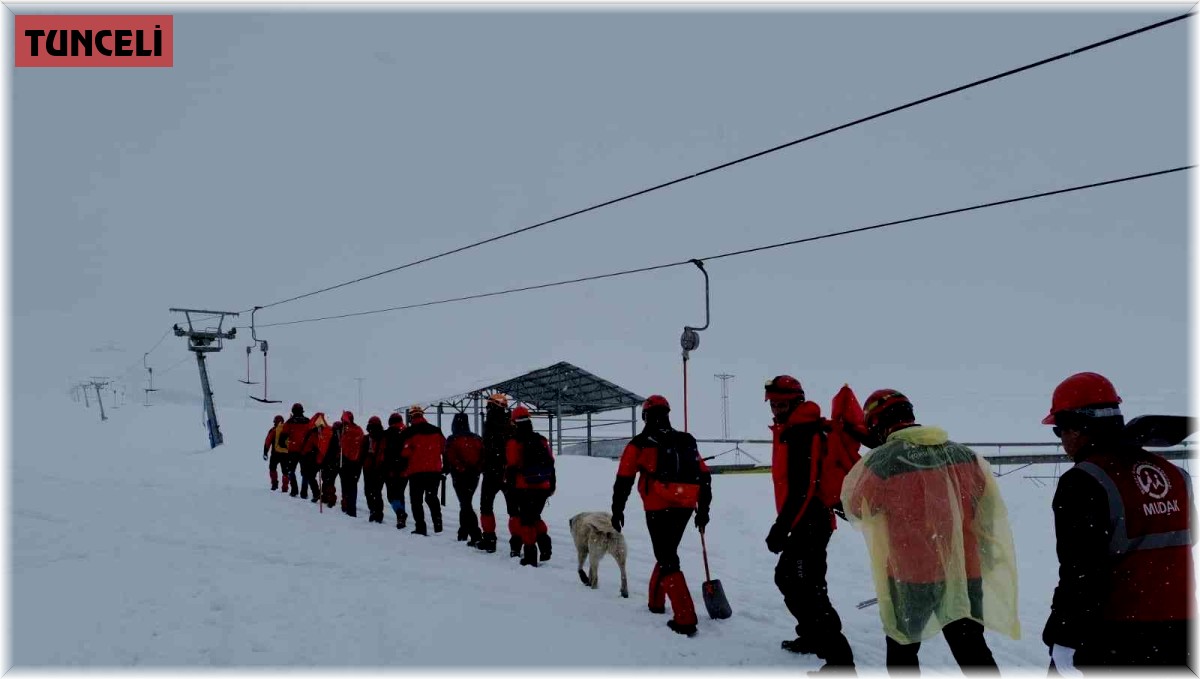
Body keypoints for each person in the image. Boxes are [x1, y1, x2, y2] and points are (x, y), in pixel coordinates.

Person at [841, 388, 1019, 675]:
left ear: (876, 425)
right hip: (964, 570)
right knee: (971, 648)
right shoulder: (963, 454)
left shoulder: (883, 461)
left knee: (903, 648)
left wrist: (878, 455)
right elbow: (985, 507)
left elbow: (858, 507)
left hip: (911, 575)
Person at [1040, 372, 1193, 674]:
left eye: (1059, 430)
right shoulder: (1176, 474)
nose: (1062, 441)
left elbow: (1081, 572)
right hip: (1181, 635)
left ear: (1077, 428)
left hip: (1116, 638)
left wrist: (1064, 637)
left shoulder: (1084, 480)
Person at [762, 375, 855, 669]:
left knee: (803, 586)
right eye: (773, 404)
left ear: (796, 402)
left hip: (810, 521)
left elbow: (804, 488)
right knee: (800, 581)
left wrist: (781, 528)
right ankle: (814, 636)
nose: (776, 409)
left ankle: (839, 661)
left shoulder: (802, 432)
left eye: (781, 404)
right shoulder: (795, 429)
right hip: (810, 520)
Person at [611, 395, 710, 636]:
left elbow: (624, 479)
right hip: (686, 504)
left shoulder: (640, 443)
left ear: (645, 415)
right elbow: (704, 476)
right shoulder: (686, 440)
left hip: (657, 506)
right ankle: (656, 603)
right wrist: (704, 510)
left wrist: (617, 509)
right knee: (667, 552)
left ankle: (685, 617)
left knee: (666, 557)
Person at [506, 405, 555, 566]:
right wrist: (551, 485)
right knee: (534, 517)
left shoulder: (514, 441)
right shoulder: (541, 439)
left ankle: (530, 555)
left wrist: (511, 488)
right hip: (543, 486)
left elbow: (512, 467)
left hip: (524, 487)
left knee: (526, 521)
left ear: (514, 422)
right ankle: (545, 546)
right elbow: (550, 463)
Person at [401, 404, 447, 536]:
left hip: (416, 472)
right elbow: (444, 448)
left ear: (411, 417)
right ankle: (438, 525)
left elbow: (405, 453)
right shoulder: (436, 430)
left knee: (416, 500)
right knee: (432, 497)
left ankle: (421, 527)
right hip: (434, 471)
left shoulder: (408, 432)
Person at [477, 393, 514, 554]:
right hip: (509, 472)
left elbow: (486, 448)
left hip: (491, 471)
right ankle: (517, 543)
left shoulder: (489, 423)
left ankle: (489, 539)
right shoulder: (512, 424)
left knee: (486, 506)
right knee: (514, 510)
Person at [444, 411, 485, 546]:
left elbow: (450, 457)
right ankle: (463, 532)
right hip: (474, 475)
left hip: (460, 475)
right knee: (466, 501)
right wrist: (477, 468)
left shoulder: (452, 439)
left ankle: (476, 534)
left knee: (465, 503)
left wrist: (460, 468)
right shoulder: (477, 438)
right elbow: (482, 455)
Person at [383, 412, 409, 529]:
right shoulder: (407, 432)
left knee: (391, 496)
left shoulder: (388, 433)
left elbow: (386, 453)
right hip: (405, 469)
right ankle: (401, 518)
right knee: (400, 493)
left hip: (391, 469)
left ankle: (400, 513)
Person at [300, 412, 333, 503]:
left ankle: (316, 493)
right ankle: (326, 496)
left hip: (316, 458)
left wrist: (303, 453)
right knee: (325, 478)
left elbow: (308, 446)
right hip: (328, 458)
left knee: (310, 476)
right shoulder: (329, 431)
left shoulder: (314, 433)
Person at [280, 403, 311, 498]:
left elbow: (282, 438)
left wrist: (286, 445)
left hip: (293, 450)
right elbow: (312, 435)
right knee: (305, 472)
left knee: (290, 470)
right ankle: (304, 492)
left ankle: (294, 490)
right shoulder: (308, 421)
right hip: (305, 451)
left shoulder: (289, 422)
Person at [338, 411, 364, 517]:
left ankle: (347, 506)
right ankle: (351, 507)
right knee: (353, 486)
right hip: (357, 463)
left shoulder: (346, 431)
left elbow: (343, 447)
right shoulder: (359, 430)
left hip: (346, 462)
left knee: (346, 485)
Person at [361, 415, 387, 523]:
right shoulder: (383, 438)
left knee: (370, 492)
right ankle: (377, 513)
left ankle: (374, 511)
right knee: (376, 492)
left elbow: (361, 453)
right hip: (378, 468)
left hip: (371, 468)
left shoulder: (367, 438)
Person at [264, 415, 286, 491]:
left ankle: (274, 484)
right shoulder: (287, 429)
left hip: (275, 454)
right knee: (285, 471)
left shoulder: (273, 430)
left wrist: (265, 452)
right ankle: (285, 488)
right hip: (285, 454)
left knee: (272, 468)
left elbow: (268, 441)